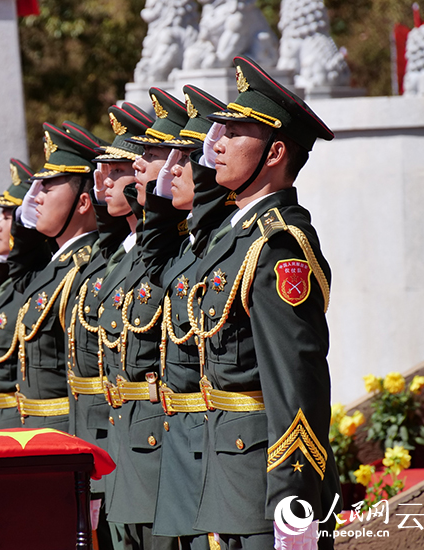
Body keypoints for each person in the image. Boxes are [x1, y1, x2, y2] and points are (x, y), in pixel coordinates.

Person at [189, 56, 340, 550]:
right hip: (222, 480)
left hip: (261, 492)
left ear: (275, 152)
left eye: (234, 133)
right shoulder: (231, 237)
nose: (218, 144)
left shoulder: (279, 245)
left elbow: (297, 382)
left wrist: (293, 508)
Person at [96, 88, 191, 550]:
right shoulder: (126, 255)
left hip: (162, 442)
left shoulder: (183, 252)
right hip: (125, 440)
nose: (135, 167)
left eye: (149, 154)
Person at [137, 85, 232, 550]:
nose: (168, 170)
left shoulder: (228, 248)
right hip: (182, 443)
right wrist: (157, 202)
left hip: (221, 449)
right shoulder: (186, 251)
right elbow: (153, 263)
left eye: (182, 160)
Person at [66, 102, 153, 550]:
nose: (101, 179)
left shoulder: (156, 255)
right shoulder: (114, 255)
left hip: (154, 445)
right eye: (101, 169)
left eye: (117, 168)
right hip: (114, 441)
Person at [10, 122, 102, 432]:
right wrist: (22, 227)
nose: (35, 196)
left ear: (83, 202)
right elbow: (20, 281)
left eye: (47, 187)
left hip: (66, 429)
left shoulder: (86, 269)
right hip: (38, 429)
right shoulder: (55, 267)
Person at [0, 157, 48, 428]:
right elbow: (1, 278)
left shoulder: (34, 282)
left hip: (17, 420)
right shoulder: (9, 283)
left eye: (8, 215)